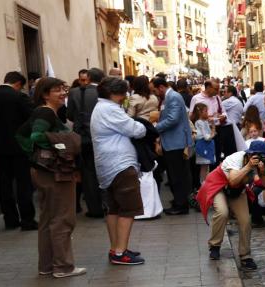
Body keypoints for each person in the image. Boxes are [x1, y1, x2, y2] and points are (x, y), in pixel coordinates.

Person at [16, 77, 85, 277]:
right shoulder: (45, 112)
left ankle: (47, 266)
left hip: (44, 172)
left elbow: (22, 136)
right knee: (63, 219)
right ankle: (63, 266)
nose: (63, 93)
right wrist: (65, 142)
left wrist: (35, 155)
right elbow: (34, 137)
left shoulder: (45, 112)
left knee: (48, 219)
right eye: (57, 90)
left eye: (64, 89)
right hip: (55, 173)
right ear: (45, 94)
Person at [90, 77, 148, 266]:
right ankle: (120, 252)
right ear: (115, 94)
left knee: (114, 208)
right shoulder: (110, 109)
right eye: (124, 93)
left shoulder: (101, 108)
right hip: (120, 165)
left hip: (108, 165)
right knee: (128, 208)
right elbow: (136, 130)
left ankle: (116, 247)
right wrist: (142, 123)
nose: (125, 97)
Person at [196, 141, 265, 270]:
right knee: (222, 212)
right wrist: (248, 167)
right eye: (257, 156)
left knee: (245, 221)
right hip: (220, 186)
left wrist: (263, 172)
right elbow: (233, 180)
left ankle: (245, 256)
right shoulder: (236, 158)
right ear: (250, 154)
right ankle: (215, 245)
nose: (259, 160)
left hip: (237, 190)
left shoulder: (259, 165)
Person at [0, 71, 36, 231]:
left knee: (4, 183)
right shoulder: (20, 97)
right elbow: (31, 119)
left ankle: (10, 219)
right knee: (23, 183)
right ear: (18, 84)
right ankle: (27, 220)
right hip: (20, 146)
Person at [152, 77, 194, 215]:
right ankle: (178, 201)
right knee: (174, 175)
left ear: (161, 87)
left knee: (177, 176)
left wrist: (155, 128)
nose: (155, 94)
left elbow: (173, 119)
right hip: (171, 142)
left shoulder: (173, 97)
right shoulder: (168, 97)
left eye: (155, 90)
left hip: (175, 142)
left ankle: (181, 205)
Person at [67, 67, 106, 218]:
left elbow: (69, 115)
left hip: (82, 138)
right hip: (102, 137)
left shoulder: (75, 92)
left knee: (88, 173)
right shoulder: (105, 92)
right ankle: (108, 204)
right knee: (104, 169)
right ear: (101, 79)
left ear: (88, 78)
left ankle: (95, 208)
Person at [191, 104, 216, 182]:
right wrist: (213, 131)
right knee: (204, 168)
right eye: (206, 111)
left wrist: (212, 125)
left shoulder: (203, 122)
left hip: (206, 145)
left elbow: (208, 134)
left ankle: (204, 183)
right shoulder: (199, 122)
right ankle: (203, 184)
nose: (207, 113)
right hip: (204, 146)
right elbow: (207, 137)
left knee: (205, 167)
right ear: (200, 113)